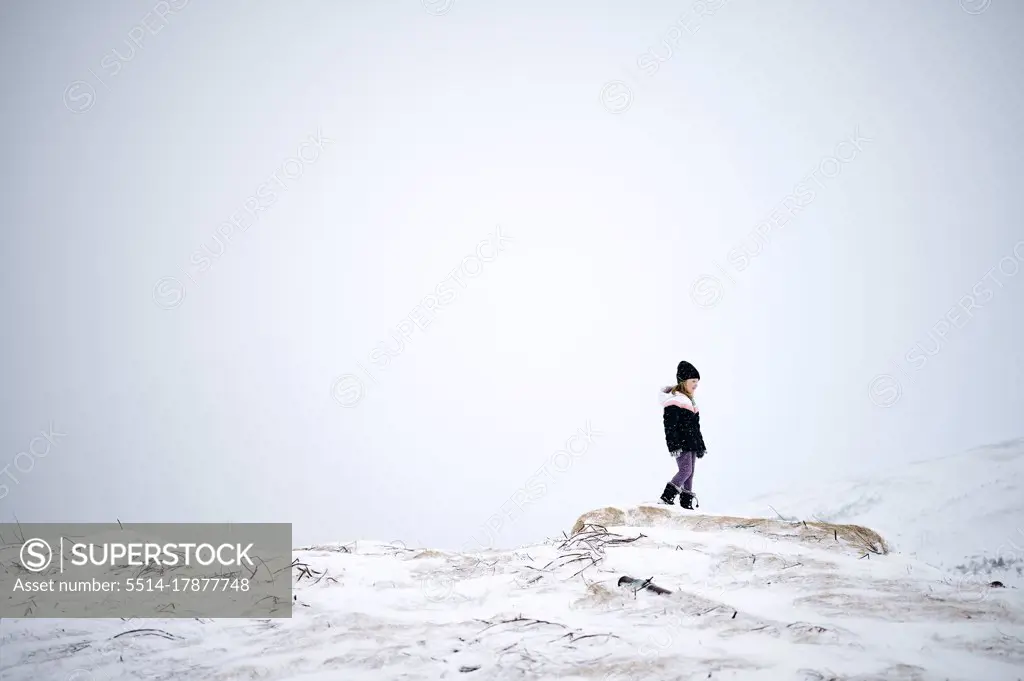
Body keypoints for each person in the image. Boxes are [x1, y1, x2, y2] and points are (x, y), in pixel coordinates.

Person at [659, 361, 706, 509]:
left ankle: (686, 503)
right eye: (693, 381)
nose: (696, 384)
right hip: (682, 443)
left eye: (697, 382)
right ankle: (667, 497)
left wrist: (700, 446)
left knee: (690, 473)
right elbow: (669, 426)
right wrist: (673, 445)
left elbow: (696, 428)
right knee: (685, 470)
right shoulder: (675, 401)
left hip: (691, 443)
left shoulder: (691, 403)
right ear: (683, 381)